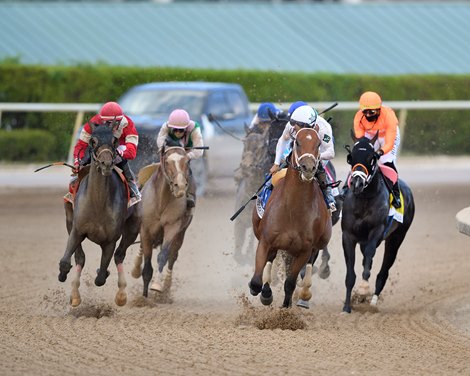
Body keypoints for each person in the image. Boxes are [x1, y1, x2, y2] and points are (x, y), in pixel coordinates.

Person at [69, 101, 141, 204]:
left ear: (120, 120)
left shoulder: (128, 124)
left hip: (118, 147)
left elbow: (132, 153)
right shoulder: (93, 122)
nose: (112, 126)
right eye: (108, 123)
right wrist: (77, 162)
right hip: (99, 148)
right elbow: (81, 145)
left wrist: (119, 153)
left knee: (123, 161)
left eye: (115, 123)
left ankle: (132, 187)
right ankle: (72, 192)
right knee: (79, 169)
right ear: (102, 120)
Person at [270, 104, 337, 212]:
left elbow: (331, 152)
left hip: (319, 153)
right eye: (292, 122)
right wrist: (276, 163)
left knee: (320, 174)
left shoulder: (324, 129)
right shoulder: (292, 125)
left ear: (307, 125)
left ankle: (330, 200)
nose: (293, 126)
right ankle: (266, 200)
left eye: (296, 124)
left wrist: (315, 157)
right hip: (300, 151)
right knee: (275, 174)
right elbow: (282, 140)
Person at [353, 91, 401, 208]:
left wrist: (379, 152)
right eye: (365, 112)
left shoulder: (389, 116)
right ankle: (347, 188)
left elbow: (389, 143)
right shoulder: (359, 117)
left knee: (386, 160)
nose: (368, 115)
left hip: (387, 136)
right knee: (361, 158)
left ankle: (396, 193)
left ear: (379, 109)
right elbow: (361, 140)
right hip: (371, 135)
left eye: (372, 112)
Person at [156, 109, 204, 208]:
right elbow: (160, 141)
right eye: (175, 130)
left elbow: (200, 151)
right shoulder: (165, 126)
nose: (178, 133)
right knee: (162, 166)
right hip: (170, 151)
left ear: (186, 128)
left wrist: (188, 156)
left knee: (187, 170)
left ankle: (190, 194)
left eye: (181, 130)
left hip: (187, 152)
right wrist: (165, 151)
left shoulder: (195, 129)